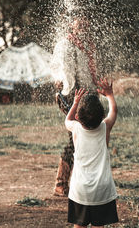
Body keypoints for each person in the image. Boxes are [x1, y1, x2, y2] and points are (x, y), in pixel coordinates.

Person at [51, 15, 98, 196]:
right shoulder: (65, 45)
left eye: (86, 26)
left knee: (86, 138)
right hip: (72, 96)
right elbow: (59, 71)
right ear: (73, 27)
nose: (83, 30)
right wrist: (62, 86)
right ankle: (61, 184)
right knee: (76, 138)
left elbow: (90, 73)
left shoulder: (86, 47)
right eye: (80, 26)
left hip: (85, 96)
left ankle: (81, 180)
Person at [65, 78, 119, 227]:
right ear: (102, 116)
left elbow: (67, 120)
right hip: (102, 189)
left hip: (80, 190)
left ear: (78, 117)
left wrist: (75, 103)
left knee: (78, 225)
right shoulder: (105, 127)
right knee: (98, 225)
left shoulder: (75, 128)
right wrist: (109, 94)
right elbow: (114, 111)